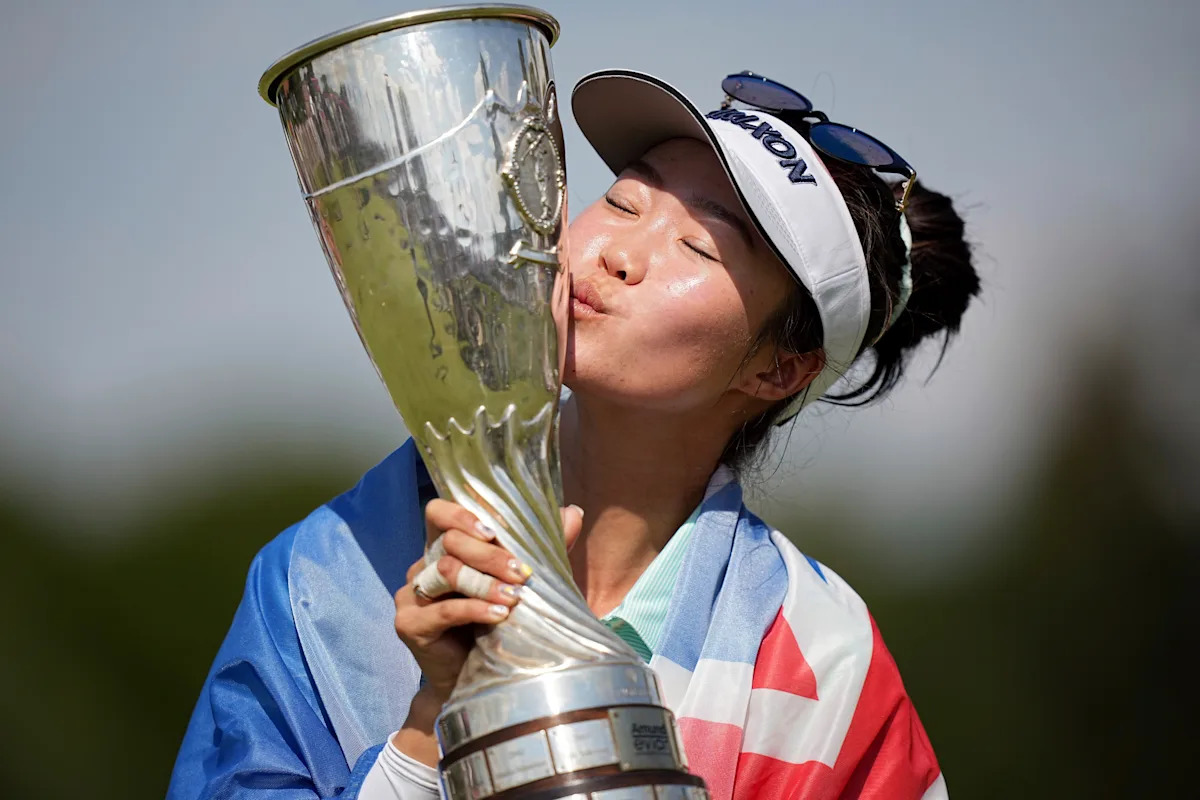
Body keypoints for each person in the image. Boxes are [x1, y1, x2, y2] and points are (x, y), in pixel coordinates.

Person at [168, 70, 979, 800]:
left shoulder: (822, 662)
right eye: (625, 199)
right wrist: (427, 729)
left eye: (700, 245)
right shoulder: (323, 576)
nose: (619, 251)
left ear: (779, 370)